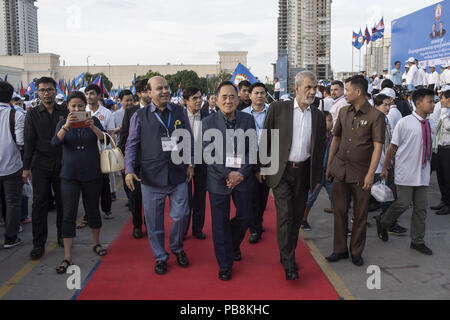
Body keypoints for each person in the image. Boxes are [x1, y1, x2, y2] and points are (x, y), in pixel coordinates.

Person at [262, 71, 326, 280]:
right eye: (308, 87)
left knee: (296, 218)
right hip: (281, 172)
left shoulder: (317, 115)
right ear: (296, 88)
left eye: (314, 88)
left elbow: (319, 149)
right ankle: (289, 262)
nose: (312, 91)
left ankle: (285, 251)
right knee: (285, 216)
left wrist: (316, 178)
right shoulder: (278, 108)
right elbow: (267, 137)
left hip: (304, 172)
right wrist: (262, 166)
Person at [125, 76, 193, 275]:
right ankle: (160, 257)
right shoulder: (139, 115)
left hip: (178, 173)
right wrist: (129, 170)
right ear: (149, 92)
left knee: (181, 216)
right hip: (151, 176)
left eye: (166, 87)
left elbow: (188, 137)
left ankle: (177, 247)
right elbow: (131, 144)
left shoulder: (180, 111)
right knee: (154, 222)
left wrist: (190, 162)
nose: (164, 91)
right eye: (159, 88)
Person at [325, 75, 385, 267]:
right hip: (340, 170)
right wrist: (329, 164)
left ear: (358, 92)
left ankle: (356, 251)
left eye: (348, 90)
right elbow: (336, 139)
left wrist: (370, 174)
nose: (345, 93)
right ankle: (340, 249)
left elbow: (377, 147)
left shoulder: (376, 116)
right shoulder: (343, 111)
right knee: (339, 211)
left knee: (360, 215)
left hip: (361, 173)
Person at [202, 81, 256, 281]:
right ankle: (225, 264)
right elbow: (208, 154)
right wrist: (228, 174)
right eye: (224, 97)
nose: (228, 100)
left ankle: (232, 244)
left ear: (238, 98)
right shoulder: (208, 123)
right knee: (219, 223)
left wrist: (241, 173)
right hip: (218, 179)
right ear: (216, 100)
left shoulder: (247, 120)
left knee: (245, 216)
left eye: (232, 96)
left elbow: (252, 150)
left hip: (243, 177)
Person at [52, 91, 109, 274]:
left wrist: (92, 127)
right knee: (68, 214)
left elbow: (104, 139)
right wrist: (67, 125)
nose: (77, 109)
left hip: (92, 173)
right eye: (73, 106)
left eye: (80, 106)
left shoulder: (93, 121)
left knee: (93, 209)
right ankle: (67, 255)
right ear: (68, 107)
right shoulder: (63, 123)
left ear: (85, 107)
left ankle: (96, 243)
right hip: (69, 175)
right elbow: (54, 142)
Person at [376, 88, 436, 255]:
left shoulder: (429, 124)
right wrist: (385, 168)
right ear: (418, 103)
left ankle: (417, 240)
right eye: (429, 101)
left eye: (433, 101)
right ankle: (384, 221)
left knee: (421, 208)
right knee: (402, 203)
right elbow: (392, 147)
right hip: (406, 171)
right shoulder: (405, 122)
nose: (433, 104)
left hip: (422, 173)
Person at [24, 77, 69, 259]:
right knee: (39, 204)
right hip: (40, 166)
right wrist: (26, 168)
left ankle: (62, 237)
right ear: (37, 92)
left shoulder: (65, 111)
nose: (46, 93)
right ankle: (38, 244)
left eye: (49, 89)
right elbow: (29, 142)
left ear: (55, 90)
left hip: (63, 164)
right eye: (42, 90)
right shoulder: (32, 114)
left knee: (63, 204)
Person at [118, 79, 150, 239]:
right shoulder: (131, 112)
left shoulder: (161, 111)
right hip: (136, 163)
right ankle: (137, 225)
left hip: (154, 163)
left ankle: (151, 224)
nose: (149, 93)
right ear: (139, 93)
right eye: (146, 90)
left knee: (152, 198)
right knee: (136, 197)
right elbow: (124, 138)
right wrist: (125, 162)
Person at [372, 94, 407, 235]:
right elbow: (383, 146)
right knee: (386, 197)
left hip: (384, 164)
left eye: (388, 104)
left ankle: (387, 222)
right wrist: (385, 165)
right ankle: (389, 224)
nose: (387, 108)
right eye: (384, 105)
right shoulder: (377, 120)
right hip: (379, 165)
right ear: (376, 106)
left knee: (386, 196)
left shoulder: (384, 119)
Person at [79, 84, 115, 224]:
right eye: (87, 93)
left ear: (99, 95)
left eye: (92, 93)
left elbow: (111, 133)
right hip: (85, 154)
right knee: (87, 185)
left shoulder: (106, 113)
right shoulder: (81, 111)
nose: (89, 96)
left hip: (102, 153)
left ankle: (107, 209)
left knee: (104, 183)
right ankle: (89, 214)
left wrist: (111, 150)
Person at [242, 82, 270, 244]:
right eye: (256, 93)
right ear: (250, 95)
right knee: (251, 194)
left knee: (263, 194)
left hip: (267, 157)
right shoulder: (244, 114)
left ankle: (257, 221)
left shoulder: (272, 112)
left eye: (262, 93)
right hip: (249, 158)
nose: (259, 96)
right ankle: (254, 228)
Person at [0, 82, 24, 248]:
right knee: (12, 202)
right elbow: (21, 141)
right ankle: (11, 237)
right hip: (11, 165)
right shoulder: (17, 115)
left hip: (10, 166)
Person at [302, 111, 334, 231]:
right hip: (318, 173)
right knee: (311, 198)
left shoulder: (333, 137)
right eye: (329, 120)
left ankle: (342, 225)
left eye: (331, 120)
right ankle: (303, 220)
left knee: (336, 198)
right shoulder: (314, 137)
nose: (331, 123)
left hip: (330, 173)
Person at [183, 86, 208, 240]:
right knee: (183, 198)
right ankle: (183, 228)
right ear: (186, 101)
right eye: (195, 98)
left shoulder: (207, 117)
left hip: (203, 164)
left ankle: (197, 228)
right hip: (182, 164)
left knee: (200, 198)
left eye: (200, 97)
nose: (199, 101)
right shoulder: (178, 117)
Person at [431, 88, 450, 215]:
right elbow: (437, 126)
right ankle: (444, 200)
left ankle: (449, 204)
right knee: (441, 177)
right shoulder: (443, 110)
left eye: (442, 98)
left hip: (448, 148)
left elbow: (448, 126)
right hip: (439, 147)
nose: (440, 100)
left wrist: (443, 111)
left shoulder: (445, 111)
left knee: (448, 178)